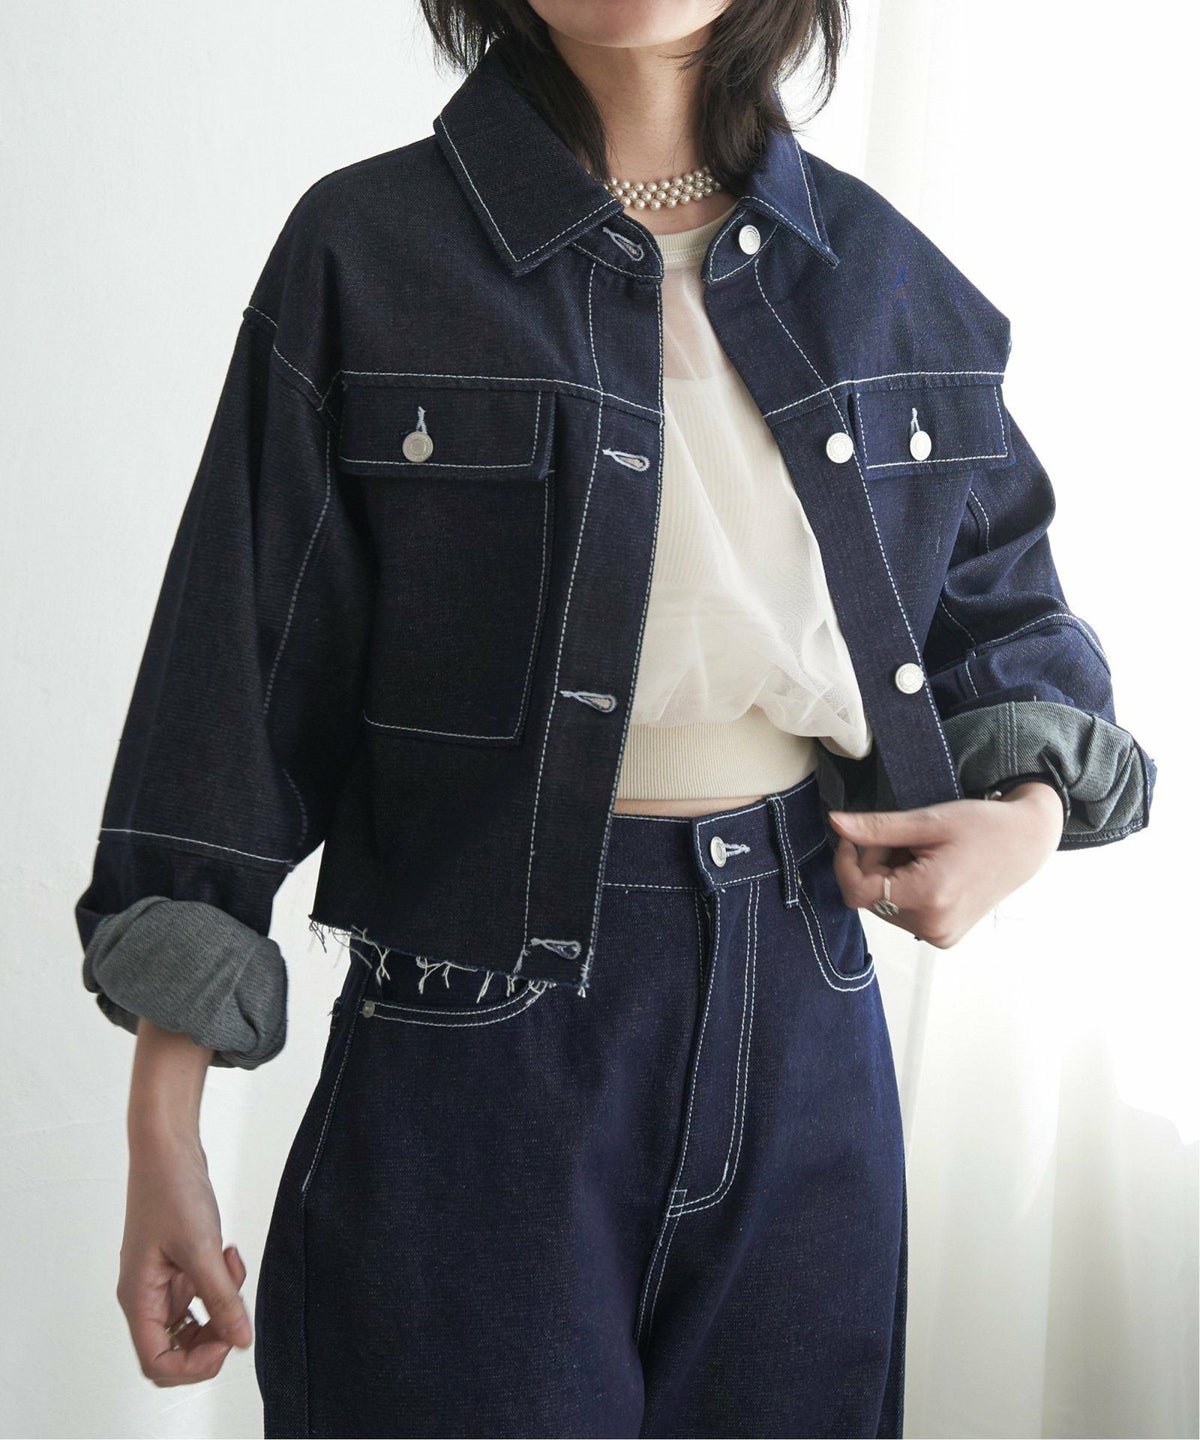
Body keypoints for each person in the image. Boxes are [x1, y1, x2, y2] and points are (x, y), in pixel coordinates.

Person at [74, 2, 1156, 1436]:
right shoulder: (368, 251)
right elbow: (233, 686)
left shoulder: (883, 272)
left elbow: (1007, 615)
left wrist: (1022, 821)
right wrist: (163, 1126)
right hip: (474, 1043)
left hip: (808, 1018)